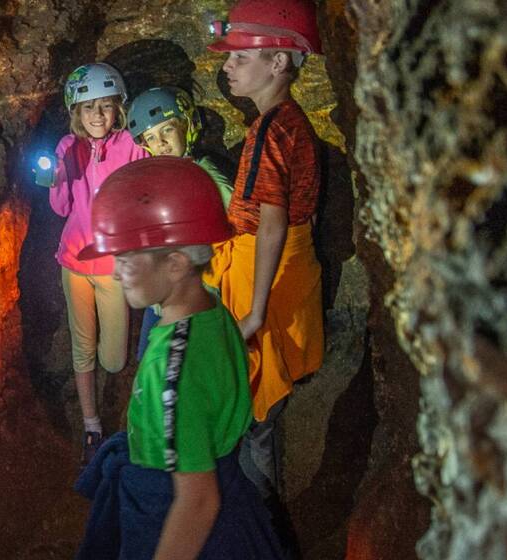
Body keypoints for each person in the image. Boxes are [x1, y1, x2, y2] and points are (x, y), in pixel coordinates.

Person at [74, 157, 283, 560]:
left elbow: (197, 502)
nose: (115, 274)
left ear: (175, 263)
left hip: (173, 515)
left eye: (125, 259)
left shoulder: (174, 369)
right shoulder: (214, 312)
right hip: (235, 503)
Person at [206, 0, 326, 502]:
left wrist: (254, 314)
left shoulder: (270, 132)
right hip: (288, 273)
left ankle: (256, 521)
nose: (226, 66)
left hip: (264, 280)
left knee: (254, 414)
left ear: (278, 62)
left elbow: (273, 221)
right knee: (262, 415)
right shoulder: (296, 123)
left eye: (239, 57)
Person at [47, 62, 147, 464]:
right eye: (89, 108)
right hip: (73, 262)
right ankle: (91, 425)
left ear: (118, 109)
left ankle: (113, 398)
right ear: (76, 111)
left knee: (114, 358)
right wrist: (59, 177)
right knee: (82, 349)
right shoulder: (67, 147)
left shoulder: (130, 145)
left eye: (105, 106)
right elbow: (61, 208)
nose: (98, 116)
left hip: (111, 266)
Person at [126, 86, 235, 361]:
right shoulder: (158, 177)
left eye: (166, 129)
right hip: (163, 294)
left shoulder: (207, 176)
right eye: (150, 137)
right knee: (149, 361)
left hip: (198, 294)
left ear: (188, 125)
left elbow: (239, 228)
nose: (160, 142)